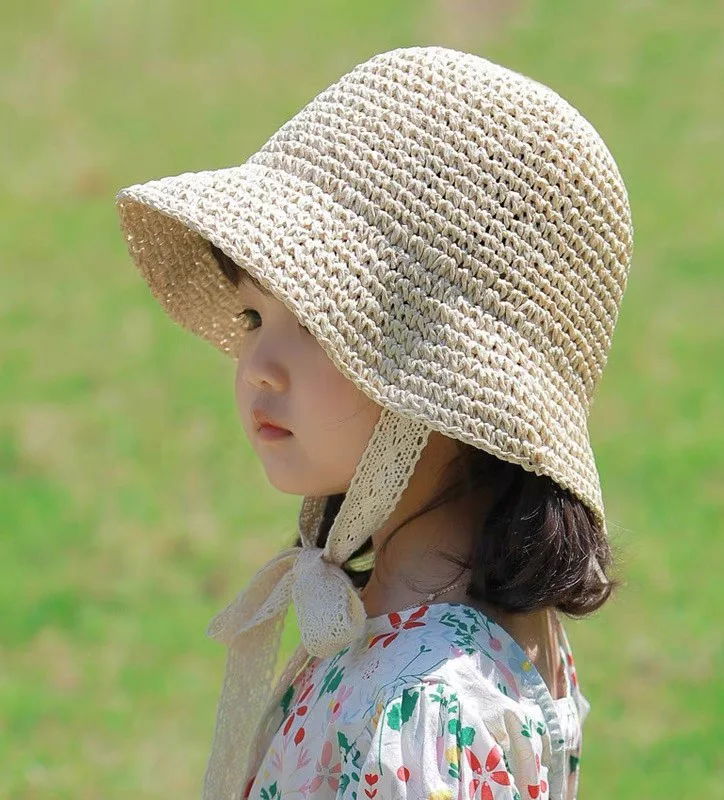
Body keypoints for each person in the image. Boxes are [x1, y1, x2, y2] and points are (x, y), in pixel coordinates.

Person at [114, 45, 634, 800]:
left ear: (446, 377)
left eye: (325, 323)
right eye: (255, 315)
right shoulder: (423, 640)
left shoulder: (419, 706)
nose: (257, 363)